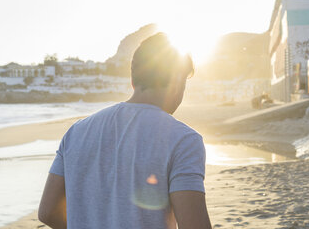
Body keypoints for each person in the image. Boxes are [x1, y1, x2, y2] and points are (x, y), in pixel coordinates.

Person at [38, 33, 212, 229]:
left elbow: (48, 212)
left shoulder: (76, 132)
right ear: (177, 80)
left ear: (133, 80)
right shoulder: (183, 140)